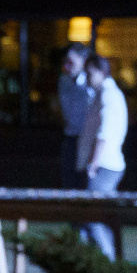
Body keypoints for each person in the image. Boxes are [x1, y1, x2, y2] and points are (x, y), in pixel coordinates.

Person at [76, 51, 130, 257]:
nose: (87, 78)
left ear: (101, 72)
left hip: (103, 166)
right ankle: (97, 263)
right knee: (92, 217)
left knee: (91, 217)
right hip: (104, 165)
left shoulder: (108, 95)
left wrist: (93, 163)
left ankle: (108, 262)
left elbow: (104, 134)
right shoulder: (103, 94)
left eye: (90, 73)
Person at [57, 41, 101, 183]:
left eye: (71, 62)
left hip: (87, 138)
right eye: (66, 62)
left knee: (85, 180)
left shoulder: (91, 83)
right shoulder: (64, 81)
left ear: (83, 61)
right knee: (68, 180)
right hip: (70, 136)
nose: (67, 66)